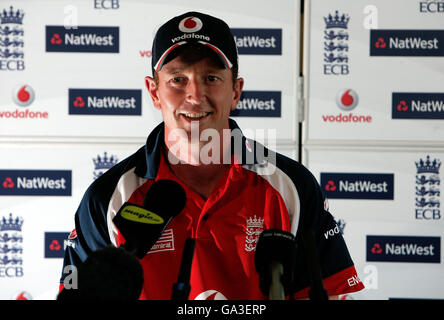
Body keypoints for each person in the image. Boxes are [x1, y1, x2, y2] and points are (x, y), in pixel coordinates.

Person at [59, 11, 364, 300]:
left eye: (212, 78)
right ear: (153, 91)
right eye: (177, 79)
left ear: (236, 91)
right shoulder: (107, 198)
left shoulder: (292, 187)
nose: (195, 95)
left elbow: (331, 291)